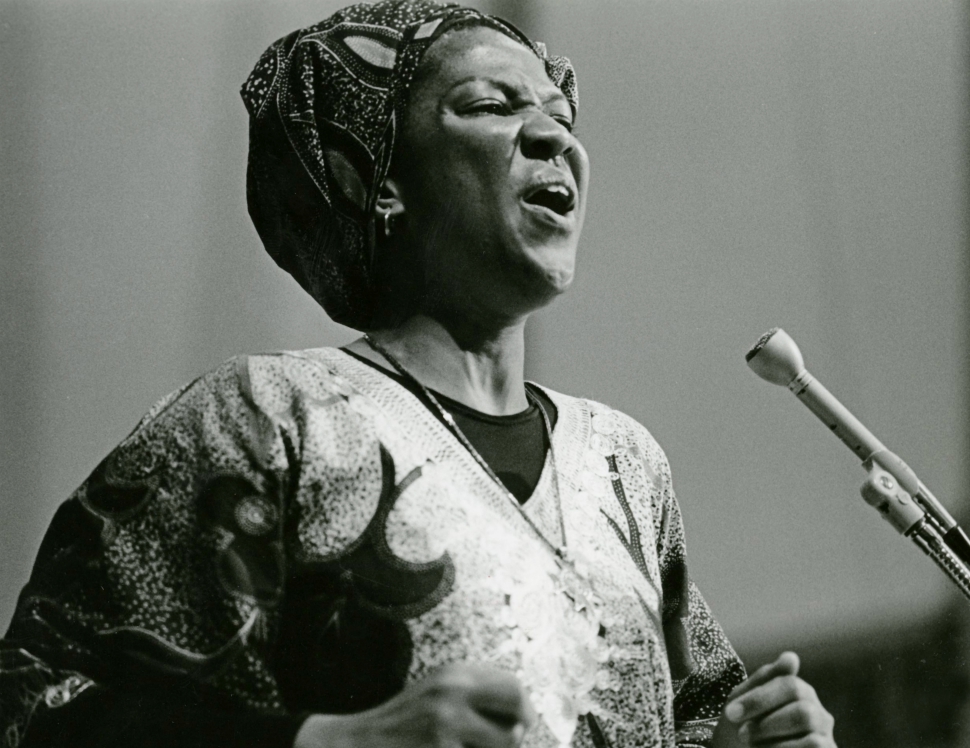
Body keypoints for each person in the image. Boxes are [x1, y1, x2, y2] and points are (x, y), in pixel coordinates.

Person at [0, 2, 837, 747]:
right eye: (490, 106)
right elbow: (37, 706)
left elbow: (689, 719)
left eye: (557, 112)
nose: (555, 137)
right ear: (382, 180)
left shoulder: (627, 463)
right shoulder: (264, 415)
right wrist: (339, 741)